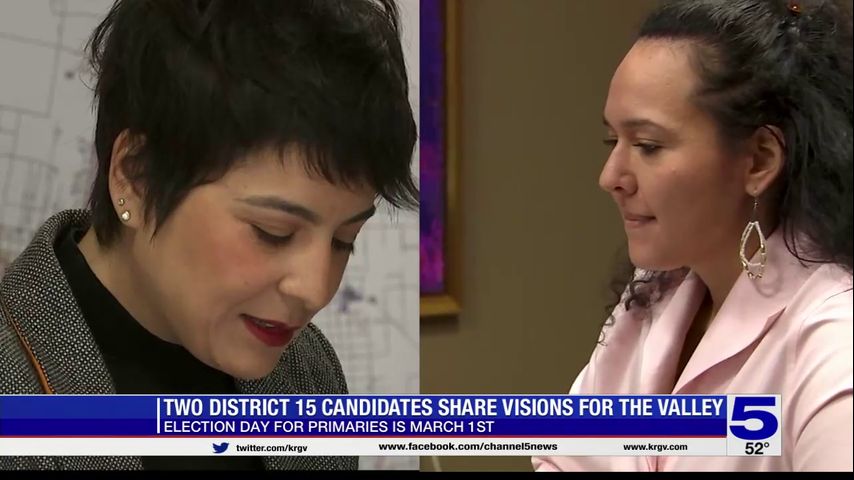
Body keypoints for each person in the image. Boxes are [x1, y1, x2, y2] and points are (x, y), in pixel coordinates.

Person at [0, 0, 417, 471]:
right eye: (273, 232)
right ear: (136, 177)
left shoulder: (309, 374)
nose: (316, 289)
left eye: (345, 239)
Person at [534, 0, 852, 472]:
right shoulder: (653, 298)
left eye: (647, 146)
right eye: (612, 141)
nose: (610, 177)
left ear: (760, 161)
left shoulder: (834, 345)